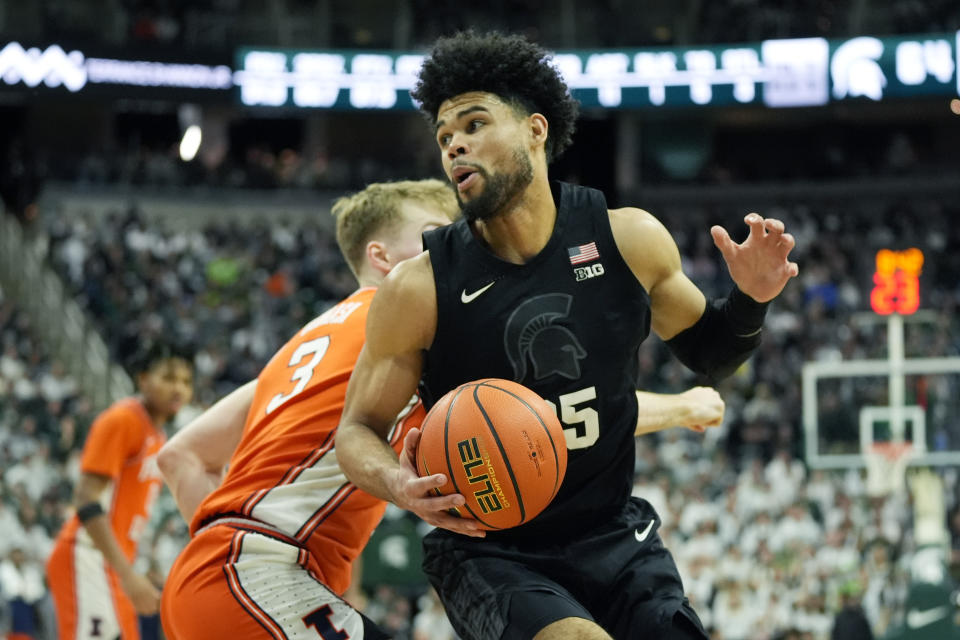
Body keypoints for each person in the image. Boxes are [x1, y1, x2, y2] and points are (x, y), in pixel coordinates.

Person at [335, 31, 799, 640]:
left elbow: (710, 354)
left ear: (536, 129)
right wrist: (397, 481)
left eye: (474, 124)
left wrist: (750, 299)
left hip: (612, 535)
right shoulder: (419, 288)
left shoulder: (627, 238)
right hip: (492, 550)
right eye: (445, 137)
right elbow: (355, 430)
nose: (456, 147)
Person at [156, 180, 458, 640]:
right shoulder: (408, 321)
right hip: (256, 579)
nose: (453, 247)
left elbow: (180, 456)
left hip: (213, 581)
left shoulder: (295, 348)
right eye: (436, 233)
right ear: (381, 257)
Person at [46, 343, 194, 640]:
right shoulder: (123, 419)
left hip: (115, 564)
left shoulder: (158, 433)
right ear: (142, 379)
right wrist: (129, 577)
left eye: (186, 382)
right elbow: (86, 501)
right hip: (88, 556)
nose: (178, 388)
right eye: (168, 378)